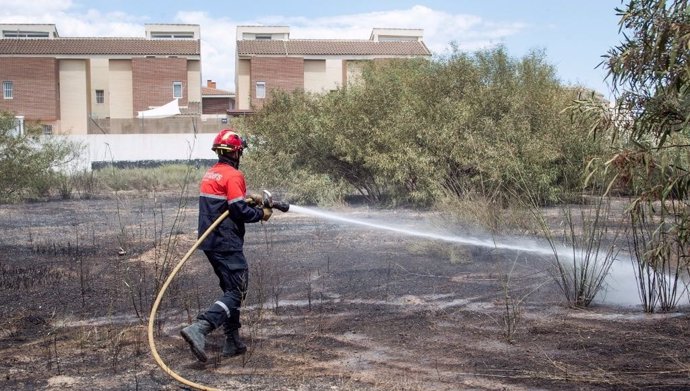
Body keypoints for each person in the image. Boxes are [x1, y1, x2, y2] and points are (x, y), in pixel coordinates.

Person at [180, 128, 271, 362]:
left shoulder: (212, 173)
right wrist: (261, 213)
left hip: (210, 243)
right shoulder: (233, 175)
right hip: (226, 243)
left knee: (230, 290)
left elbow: (229, 200)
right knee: (238, 291)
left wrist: (250, 197)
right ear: (236, 153)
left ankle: (232, 341)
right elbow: (238, 210)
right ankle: (200, 327)